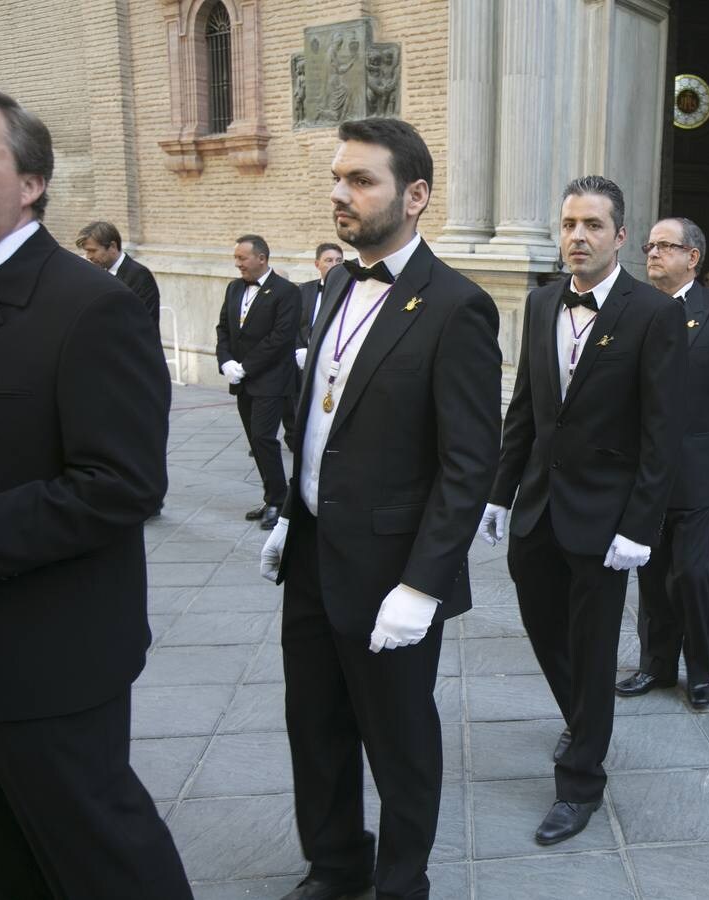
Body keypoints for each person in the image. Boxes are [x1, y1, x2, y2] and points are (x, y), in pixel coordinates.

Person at [259, 116, 502, 900]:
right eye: (338, 178)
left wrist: (423, 586)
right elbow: (320, 419)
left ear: (416, 195)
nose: (341, 194)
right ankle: (335, 865)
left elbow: (468, 464)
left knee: (398, 745)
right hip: (313, 557)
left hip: (393, 576)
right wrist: (293, 517)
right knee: (316, 730)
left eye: (360, 180)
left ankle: (402, 882)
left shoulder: (457, 307)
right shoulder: (333, 282)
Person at [0, 83, 191, 900]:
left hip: (45, 660)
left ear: (31, 183)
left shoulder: (90, 305)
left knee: (104, 862)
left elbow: (120, 484)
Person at [480, 175, 685, 846]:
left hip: (605, 519)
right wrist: (499, 492)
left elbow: (663, 433)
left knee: (595, 652)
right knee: (545, 632)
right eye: (569, 223)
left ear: (620, 236)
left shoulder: (652, 313)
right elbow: (524, 409)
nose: (577, 236)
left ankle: (580, 782)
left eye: (592, 225)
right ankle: (583, 716)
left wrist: (640, 526)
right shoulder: (540, 303)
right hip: (538, 510)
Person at [615, 218, 709, 708]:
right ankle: (655, 665)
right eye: (649, 246)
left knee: (692, 574)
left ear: (693, 257)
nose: (652, 254)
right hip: (643, 474)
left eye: (665, 247)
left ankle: (699, 671)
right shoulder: (632, 309)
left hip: (698, 472)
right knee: (650, 574)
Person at [215, 233, 301, 529]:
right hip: (242, 378)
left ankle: (279, 501)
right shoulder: (233, 288)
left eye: (242, 258)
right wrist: (225, 360)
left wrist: (246, 366)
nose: (237, 264)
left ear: (261, 258)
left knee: (264, 438)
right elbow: (223, 327)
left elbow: (281, 337)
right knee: (255, 439)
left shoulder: (286, 291)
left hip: (271, 379)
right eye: (236, 258)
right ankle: (272, 495)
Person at [75, 220, 161, 323]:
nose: (89, 256)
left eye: (93, 251)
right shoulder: (96, 274)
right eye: (87, 251)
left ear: (112, 246)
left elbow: (144, 323)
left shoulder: (140, 275)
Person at [295, 241, 345, 370]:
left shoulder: (350, 291)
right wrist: (298, 349)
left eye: (339, 260)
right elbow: (293, 324)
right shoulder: (304, 290)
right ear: (317, 264)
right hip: (302, 361)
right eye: (329, 260)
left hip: (335, 362)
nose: (335, 265)